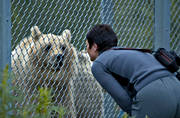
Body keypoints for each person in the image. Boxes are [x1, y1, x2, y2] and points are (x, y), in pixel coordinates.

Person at [85, 24, 180, 118]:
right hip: (176, 85)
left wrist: (136, 112)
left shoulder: (99, 64)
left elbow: (121, 98)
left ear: (94, 46)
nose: (86, 50)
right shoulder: (132, 51)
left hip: (152, 94)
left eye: (87, 45)